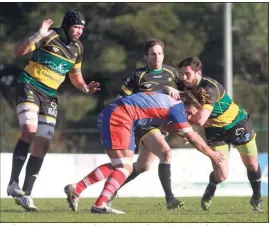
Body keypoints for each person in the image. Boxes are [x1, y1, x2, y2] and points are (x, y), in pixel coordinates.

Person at [64, 90, 225, 214]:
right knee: (124, 167)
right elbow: (193, 137)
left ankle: (77, 188)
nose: (189, 116)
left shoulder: (170, 101)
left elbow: (162, 123)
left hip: (115, 114)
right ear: (184, 103)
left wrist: (181, 132)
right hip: (121, 117)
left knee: (119, 165)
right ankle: (100, 204)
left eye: (192, 115)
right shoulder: (177, 108)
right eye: (190, 112)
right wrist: (213, 154)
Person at [7, 10, 100, 211]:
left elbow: (75, 74)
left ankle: (27, 194)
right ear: (67, 25)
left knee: (43, 143)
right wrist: (37, 34)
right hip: (29, 85)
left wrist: (84, 87)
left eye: (82, 28)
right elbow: (18, 51)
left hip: (50, 95)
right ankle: (13, 183)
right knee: (29, 132)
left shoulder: (77, 48)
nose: (79, 32)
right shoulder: (49, 35)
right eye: (76, 27)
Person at [165, 56, 263, 211]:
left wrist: (185, 129)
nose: (183, 78)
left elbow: (200, 119)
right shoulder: (182, 85)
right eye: (181, 73)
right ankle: (211, 187)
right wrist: (168, 89)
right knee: (222, 175)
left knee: (251, 164)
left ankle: (257, 198)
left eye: (187, 74)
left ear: (198, 73)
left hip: (237, 124)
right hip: (215, 131)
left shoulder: (209, 88)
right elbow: (180, 101)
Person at [112, 39, 184, 209]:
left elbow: (185, 97)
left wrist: (182, 125)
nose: (157, 57)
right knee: (166, 153)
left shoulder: (172, 73)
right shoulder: (138, 76)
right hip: (143, 124)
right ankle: (170, 199)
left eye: (159, 53)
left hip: (162, 124)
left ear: (163, 55)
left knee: (142, 166)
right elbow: (121, 99)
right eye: (153, 54)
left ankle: (110, 190)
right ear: (146, 57)